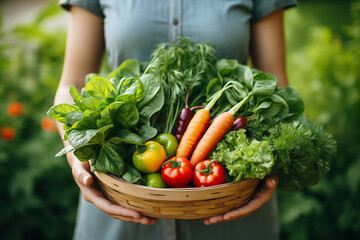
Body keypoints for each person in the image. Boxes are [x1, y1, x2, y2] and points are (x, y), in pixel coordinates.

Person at [55, 0, 297, 239]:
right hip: (119, 211)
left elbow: (275, 86)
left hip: (232, 210)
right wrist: (76, 158)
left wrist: (271, 168)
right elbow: (72, 85)